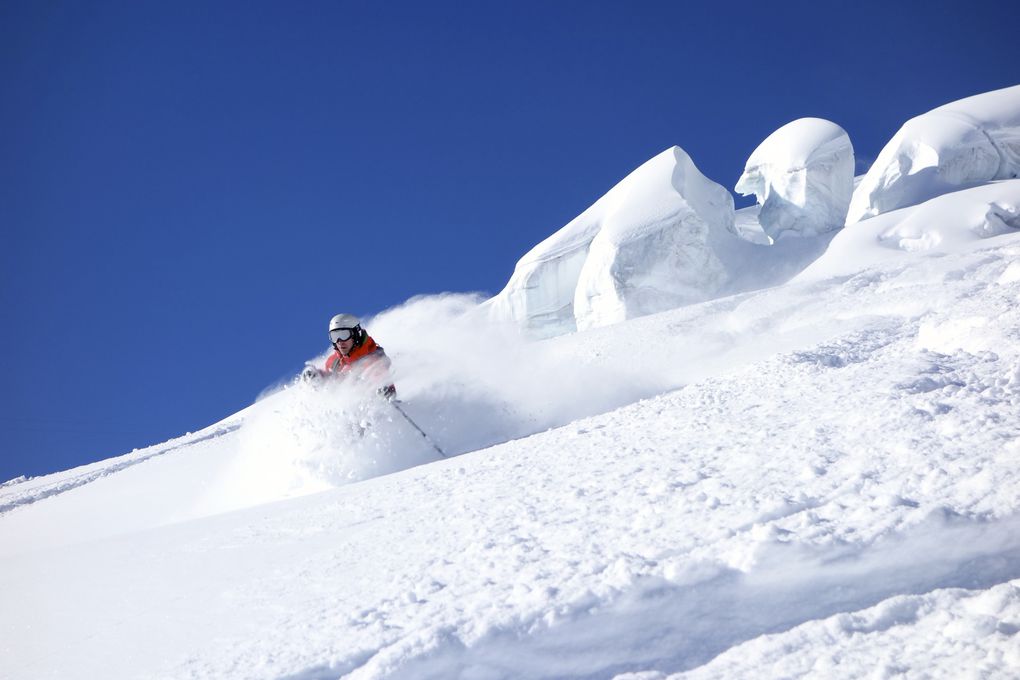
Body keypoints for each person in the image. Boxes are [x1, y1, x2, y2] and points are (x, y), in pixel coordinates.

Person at [302, 313, 396, 399]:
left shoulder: (372, 358)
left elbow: (381, 376)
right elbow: (328, 378)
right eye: (335, 336)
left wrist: (386, 389)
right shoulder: (336, 361)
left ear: (355, 334)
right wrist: (315, 375)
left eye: (344, 335)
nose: (339, 341)